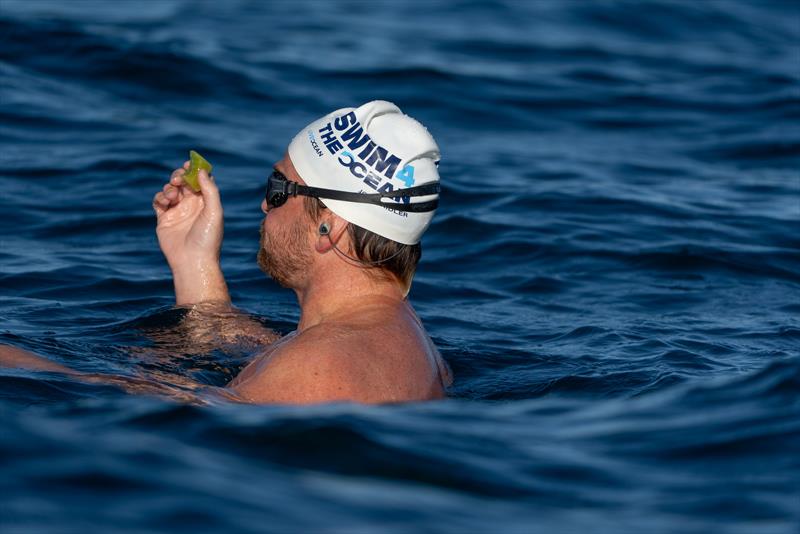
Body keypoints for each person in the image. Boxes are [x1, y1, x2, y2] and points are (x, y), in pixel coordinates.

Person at [0, 100, 452, 405]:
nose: (262, 205)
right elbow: (260, 352)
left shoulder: (318, 369)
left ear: (326, 226)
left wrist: (18, 361)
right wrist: (194, 261)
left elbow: (186, 424)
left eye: (278, 190)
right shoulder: (395, 335)